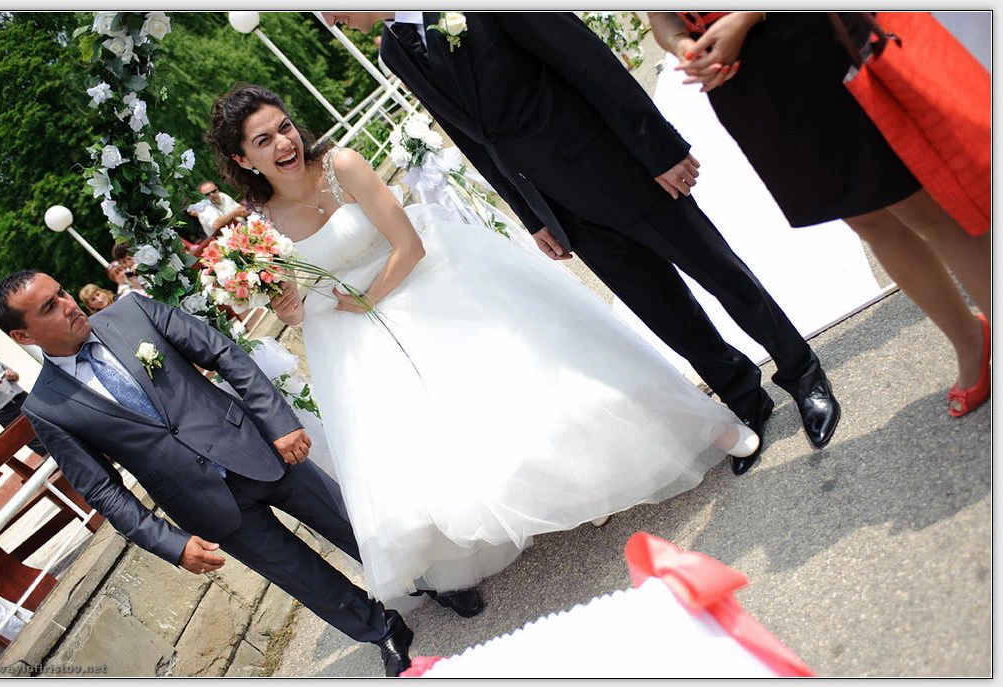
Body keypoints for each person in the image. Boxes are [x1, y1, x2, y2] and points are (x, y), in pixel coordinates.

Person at [206, 84, 760, 604]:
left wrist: (370, 297)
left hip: (417, 282)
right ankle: (567, 492)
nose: (283, 143)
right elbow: (303, 296)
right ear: (242, 160)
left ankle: (706, 427)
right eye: (263, 140)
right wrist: (290, 308)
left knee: (546, 375)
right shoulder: (261, 225)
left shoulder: (342, 165)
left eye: (284, 127)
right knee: (452, 431)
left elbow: (409, 245)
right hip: (357, 326)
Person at [321, 12, 841, 475]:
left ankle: (801, 372)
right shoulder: (395, 51)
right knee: (664, 311)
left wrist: (658, 150)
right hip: (559, 204)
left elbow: (586, 60)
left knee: (719, 273)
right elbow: (473, 138)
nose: (329, 21)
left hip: (618, 165)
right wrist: (532, 215)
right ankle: (744, 395)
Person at [0, 270, 414, 676]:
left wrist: (278, 421)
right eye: (49, 307)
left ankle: (425, 578)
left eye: (62, 293)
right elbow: (103, 490)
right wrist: (170, 543)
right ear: (23, 336)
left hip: (256, 447)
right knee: (302, 576)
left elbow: (223, 352)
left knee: (349, 520)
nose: (67, 305)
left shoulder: (133, 311)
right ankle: (382, 629)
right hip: (204, 505)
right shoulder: (45, 407)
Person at [648, 11, 991, 417]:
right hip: (742, 82)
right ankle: (971, 340)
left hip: (806, 35)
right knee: (866, 218)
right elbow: (660, 15)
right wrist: (684, 47)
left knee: (921, 204)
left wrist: (745, 17)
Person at [0, 356, 47, 456]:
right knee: (38, 443)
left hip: (22, 398)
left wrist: (12, 375)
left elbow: (16, 376)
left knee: (52, 424)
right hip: (5, 412)